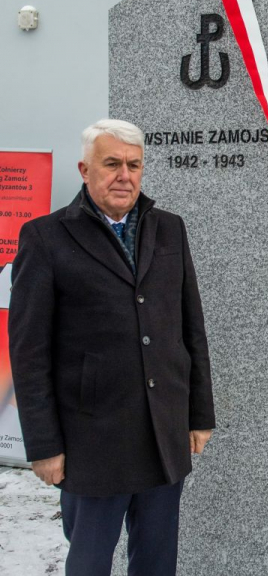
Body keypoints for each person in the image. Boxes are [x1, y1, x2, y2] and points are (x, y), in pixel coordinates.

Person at [9, 119, 215, 576]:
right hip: (92, 442)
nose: (124, 175)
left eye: (134, 165)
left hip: (163, 434)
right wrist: (44, 445)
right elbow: (28, 352)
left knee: (158, 561)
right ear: (85, 169)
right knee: (89, 562)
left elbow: (190, 328)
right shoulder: (45, 238)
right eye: (112, 164)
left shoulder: (169, 230)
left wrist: (199, 414)